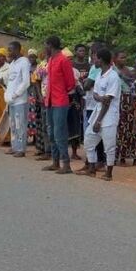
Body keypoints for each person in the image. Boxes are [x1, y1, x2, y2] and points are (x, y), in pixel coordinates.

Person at [76, 48, 121, 180]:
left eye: (95, 58)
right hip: (98, 112)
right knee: (89, 140)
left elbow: (108, 101)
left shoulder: (113, 77)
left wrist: (99, 120)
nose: (93, 60)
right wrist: (101, 98)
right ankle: (91, 168)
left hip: (108, 116)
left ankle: (109, 173)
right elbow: (96, 95)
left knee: (109, 146)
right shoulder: (99, 74)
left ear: (101, 59)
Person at [42, 36, 78, 175]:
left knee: (59, 133)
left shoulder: (63, 60)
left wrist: (61, 91)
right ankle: (55, 162)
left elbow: (70, 83)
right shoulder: (51, 60)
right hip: (50, 100)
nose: (45, 48)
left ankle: (66, 163)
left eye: (46, 45)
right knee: (51, 132)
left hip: (60, 101)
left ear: (51, 45)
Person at [4, 41, 31, 158]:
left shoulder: (24, 62)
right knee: (13, 124)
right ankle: (14, 146)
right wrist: (7, 95)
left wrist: (15, 94)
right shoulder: (13, 63)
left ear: (17, 50)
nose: (9, 52)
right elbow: (10, 81)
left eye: (11, 50)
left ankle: (21, 148)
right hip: (11, 101)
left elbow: (26, 82)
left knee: (20, 124)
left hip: (20, 100)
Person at [113, 51, 136, 166]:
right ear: (115, 59)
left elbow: (134, 79)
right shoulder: (113, 71)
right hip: (119, 100)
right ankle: (119, 157)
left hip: (131, 100)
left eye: (125, 57)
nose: (124, 59)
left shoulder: (130, 69)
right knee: (120, 129)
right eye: (121, 57)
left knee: (133, 129)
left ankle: (133, 156)